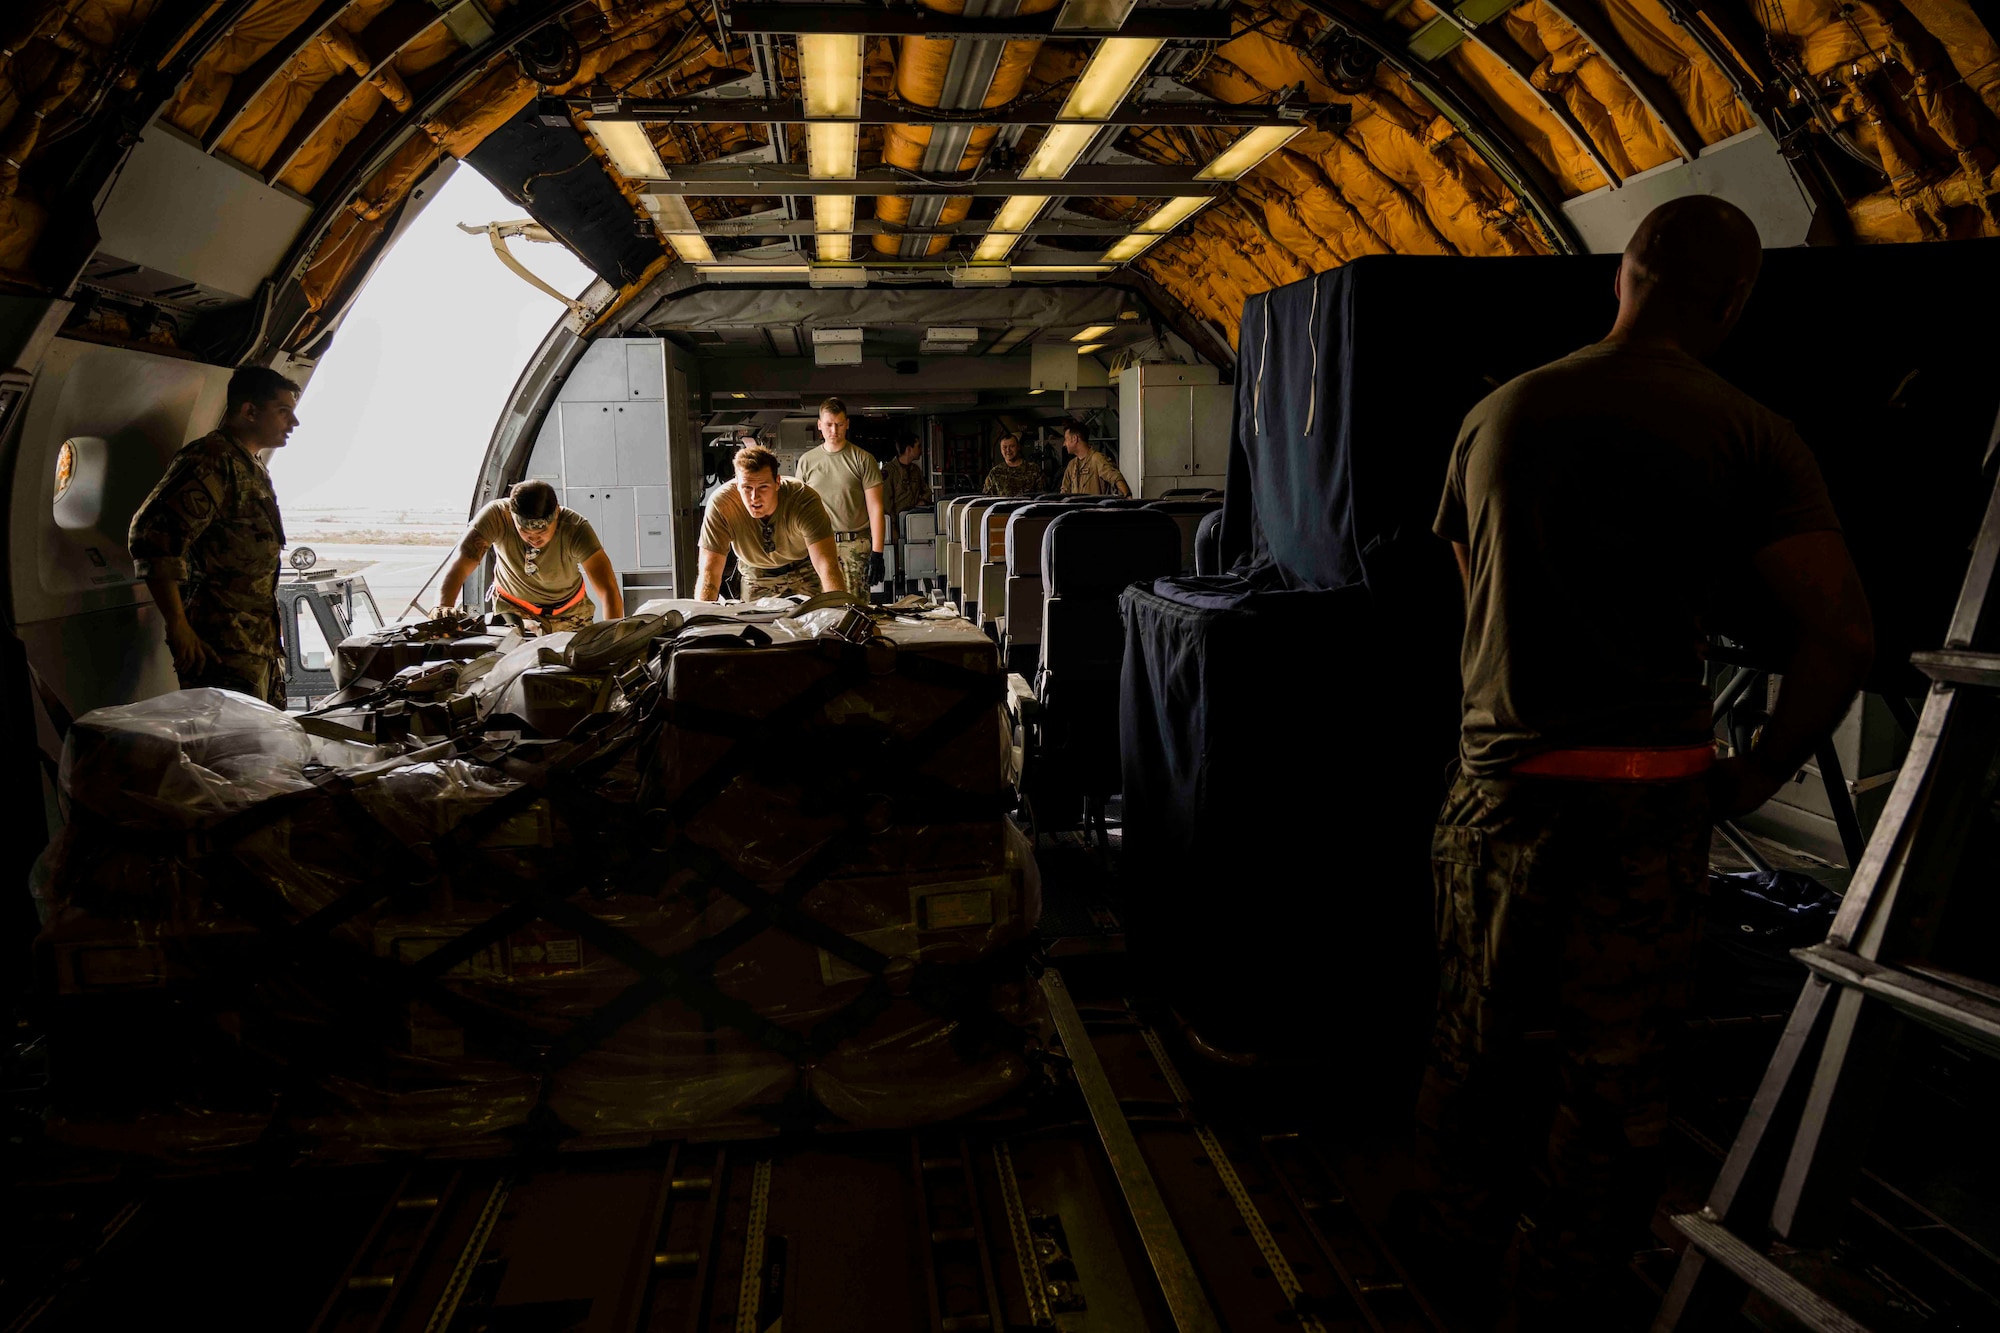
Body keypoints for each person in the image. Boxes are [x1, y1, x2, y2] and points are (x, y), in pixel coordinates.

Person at [1419, 196, 1874, 1325]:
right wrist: (1754, 774)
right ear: (1731, 301)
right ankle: (1558, 1293)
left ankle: (1450, 1267)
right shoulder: (1749, 432)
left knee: (1473, 1052)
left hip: (1502, 793)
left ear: (1621, 273)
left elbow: (1469, 602)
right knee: (1609, 1079)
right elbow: (1844, 636)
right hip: (1649, 801)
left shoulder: (1496, 413)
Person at [130, 366, 300, 707]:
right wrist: (178, 625)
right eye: (284, 412)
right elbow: (153, 536)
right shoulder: (210, 460)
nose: (293, 423)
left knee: (258, 747)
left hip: (254, 645)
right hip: (220, 649)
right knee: (228, 751)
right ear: (249, 411)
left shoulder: (249, 464)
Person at [435, 480, 624, 634]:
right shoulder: (497, 516)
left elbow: (608, 590)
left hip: (569, 614)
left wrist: (612, 638)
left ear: (556, 513)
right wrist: (443, 608)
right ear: (511, 513)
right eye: (525, 531)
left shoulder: (575, 528)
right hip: (513, 611)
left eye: (542, 531)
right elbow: (461, 563)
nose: (533, 538)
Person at [695, 442, 847, 601]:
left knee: (814, 619)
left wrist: (839, 610)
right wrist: (701, 621)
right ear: (737, 485)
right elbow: (710, 573)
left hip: (803, 567)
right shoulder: (722, 505)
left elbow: (827, 565)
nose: (754, 497)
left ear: (777, 483)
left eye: (763, 487)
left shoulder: (803, 500)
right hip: (755, 572)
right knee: (754, 623)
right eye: (747, 487)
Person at [794, 396, 884, 596]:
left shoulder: (862, 459)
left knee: (855, 609)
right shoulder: (807, 462)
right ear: (819, 425)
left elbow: (875, 508)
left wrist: (877, 552)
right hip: (818, 544)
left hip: (855, 545)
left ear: (847, 424)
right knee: (820, 607)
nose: (834, 431)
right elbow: (798, 508)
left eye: (839, 424)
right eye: (828, 425)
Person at [1056, 419, 1129, 496]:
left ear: (1074, 439)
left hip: (1095, 508)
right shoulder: (1071, 465)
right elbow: (1064, 492)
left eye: (1066, 439)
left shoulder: (1097, 459)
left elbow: (1116, 478)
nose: (1064, 444)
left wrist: (1127, 496)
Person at [882, 434, 933, 518]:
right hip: (896, 522)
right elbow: (886, 502)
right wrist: (892, 527)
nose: (921, 451)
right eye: (918, 447)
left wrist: (922, 502)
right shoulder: (889, 471)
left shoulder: (916, 470)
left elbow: (927, 492)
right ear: (909, 449)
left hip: (914, 519)